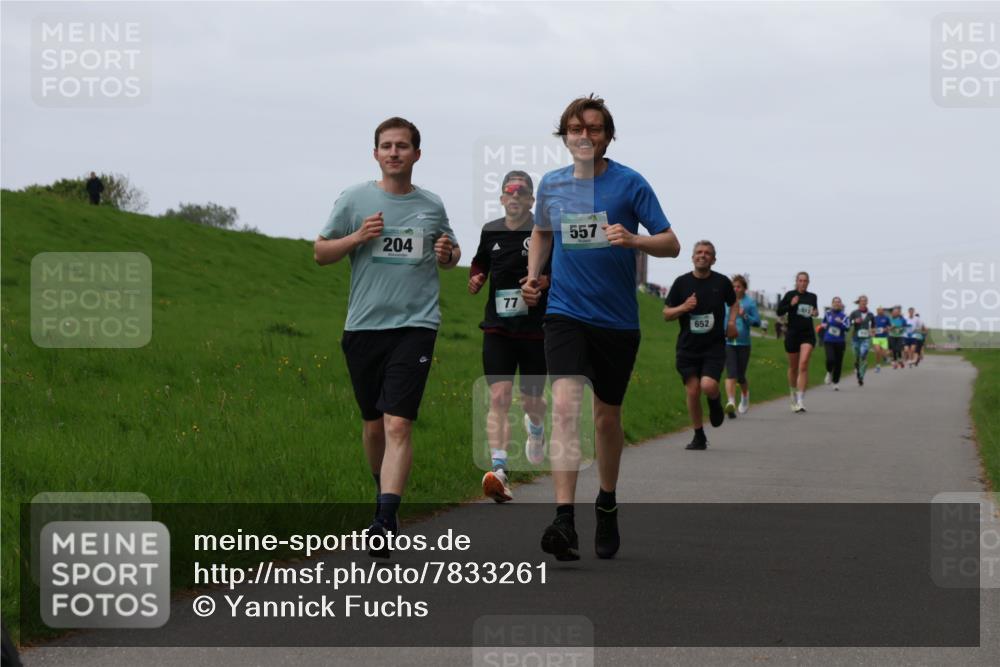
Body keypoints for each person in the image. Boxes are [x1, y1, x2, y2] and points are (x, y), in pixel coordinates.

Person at [522, 94, 680, 561]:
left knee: (607, 417)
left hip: (616, 320)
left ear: (607, 136)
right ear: (565, 135)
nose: (584, 136)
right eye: (576, 128)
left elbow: (671, 244)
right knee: (566, 406)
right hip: (564, 313)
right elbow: (542, 232)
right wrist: (534, 276)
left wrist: (634, 239)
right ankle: (564, 519)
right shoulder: (551, 185)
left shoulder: (630, 184)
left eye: (594, 128)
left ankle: (607, 501)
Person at [314, 117, 460, 557]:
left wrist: (447, 253)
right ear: (376, 154)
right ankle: (384, 495)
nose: (394, 152)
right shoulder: (355, 199)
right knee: (373, 423)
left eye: (402, 146)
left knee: (399, 421)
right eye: (386, 146)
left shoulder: (431, 206)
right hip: (363, 326)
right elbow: (320, 252)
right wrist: (358, 236)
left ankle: (383, 519)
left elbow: (450, 252)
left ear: (417, 154)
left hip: (416, 326)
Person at [469, 171, 551, 503]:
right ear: (502, 199)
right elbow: (480, 262)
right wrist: (476, 277)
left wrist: (542, 283)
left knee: (532, 402)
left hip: (534, 331)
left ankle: (536, 429)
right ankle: (500, 469)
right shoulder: (491, 230)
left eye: (522, 193)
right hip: (498, 327)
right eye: (509, 193)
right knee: (500, 397)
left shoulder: (544, 231)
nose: (514, 198)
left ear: (532, 200)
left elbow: (557, 271)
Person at [663, 242, 738, 449]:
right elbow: (666, 314)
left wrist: (731, 323)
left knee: (708, 385)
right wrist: (684, 307)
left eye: (707, 253)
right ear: (693, 257)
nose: (702, 256)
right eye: (699, 252)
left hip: (713, 347)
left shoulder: (722, 282)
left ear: (713, 259)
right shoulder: (681, 283)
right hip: (688, 347)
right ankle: (699, 436)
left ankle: (715, 402)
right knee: (693, 391)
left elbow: (734, 303)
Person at [776, 272, 818, 413]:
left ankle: (800, 400)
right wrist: (791, 304)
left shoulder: (812, 297)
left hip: (808, 334)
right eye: (800, 280)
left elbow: (814, 311)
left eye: (805, 280)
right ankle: (793, 393)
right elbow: (779, 311)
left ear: (808, 282)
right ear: (796, 281)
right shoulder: (790, 295)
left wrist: (815, 312)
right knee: (793, 368)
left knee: (803, 364)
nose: (802, 283)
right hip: (793, 334)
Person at [723, 274, 761, 417]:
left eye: (738, 286)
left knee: (740, 376)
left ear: (744, 288)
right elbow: (722, 319)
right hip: (728, 342)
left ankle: (745, 396)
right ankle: (731, 402)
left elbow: (756, 322)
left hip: (744, 343)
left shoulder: (750, 303)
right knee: (731, 373)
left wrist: (744, 315)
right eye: (733, 286)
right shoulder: (726, 301)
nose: (735, 289)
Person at [819, 296, 851, 391]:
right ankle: (829, 372)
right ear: (832, 304)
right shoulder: (828, 313)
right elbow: (823, 323)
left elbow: (848, 327)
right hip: (828, 340)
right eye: (835, 302)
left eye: (838, 302)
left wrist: (841, 323)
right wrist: (824, 325)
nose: (837, 303)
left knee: (838, 363)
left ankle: (836, 382)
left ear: (841, 304)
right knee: (830, 359)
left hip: (840, 342)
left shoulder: (844, 316)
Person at [848, 295, 875, 386]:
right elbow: (848, 323)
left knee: (863, 354)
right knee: (857, 356)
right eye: (862, 301)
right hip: (856, 338)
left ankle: (861, 376)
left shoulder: (870, 314)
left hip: (866, 338)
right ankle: (856, 365)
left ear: (867, 302)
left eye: (865, 301)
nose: (863, 302)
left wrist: (872, 332)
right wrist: (854, 321)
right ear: (859, 302)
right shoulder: (854, 313)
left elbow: (874, 325)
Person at [871, 305, 891, 372]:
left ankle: (885, 357)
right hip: (876, 337)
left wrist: (886, 329)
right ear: (877, 311)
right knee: (877, 351)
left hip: (884, 338)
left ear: (883, 311)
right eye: (879, 310)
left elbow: (890, 327)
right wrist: (872, 331)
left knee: (884, 352)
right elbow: (871, 327)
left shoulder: (886, 318)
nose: (880, 311)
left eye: (881, 310)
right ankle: (878, 366)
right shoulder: (874, 318)